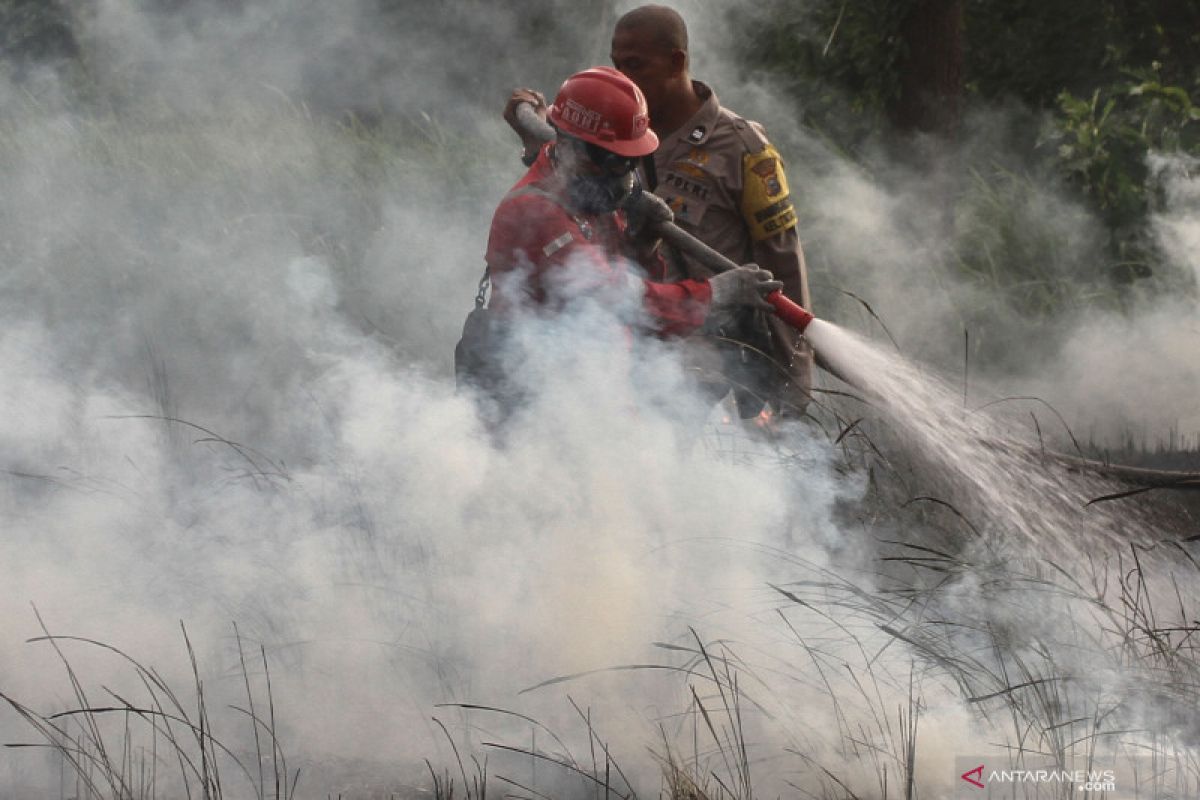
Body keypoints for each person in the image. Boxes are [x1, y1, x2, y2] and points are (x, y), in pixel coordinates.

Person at [504, 5, 814, 421]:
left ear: (676, 63)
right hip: (624, 350)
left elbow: (783, 267)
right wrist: (539, 140)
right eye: (617, 65)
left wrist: (794, 392)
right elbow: (569, 199)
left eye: (635, 66)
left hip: (703, 364)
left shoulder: (743, 148)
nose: (623, 79)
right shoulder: (610, 135)